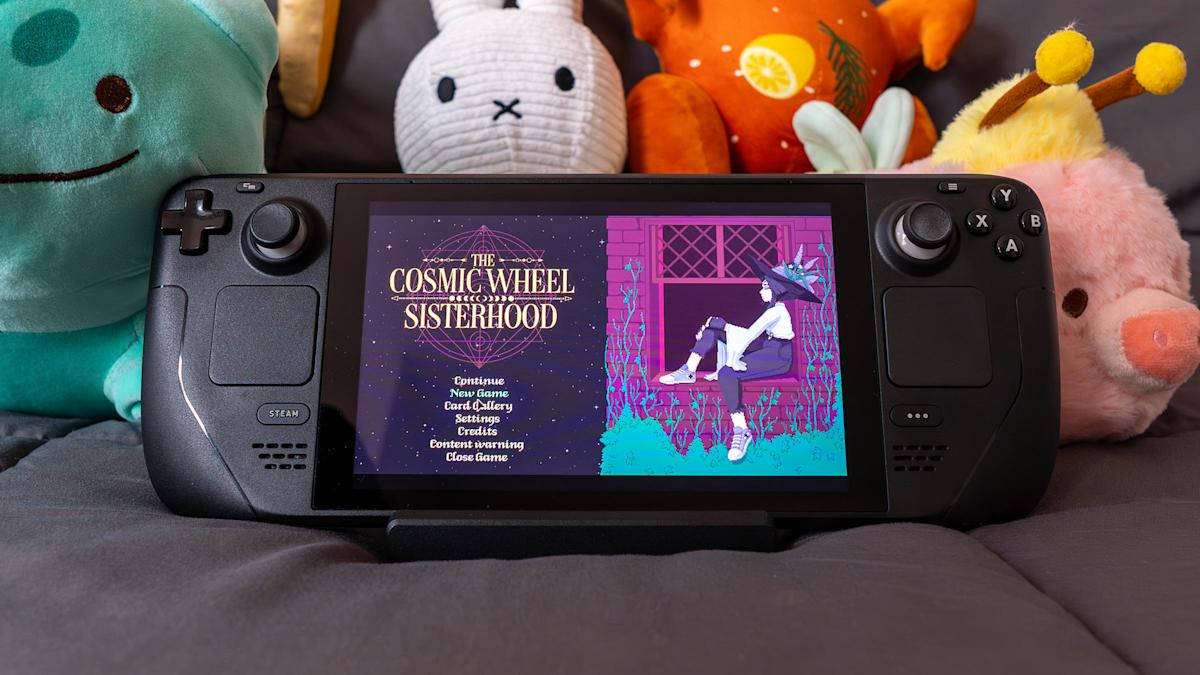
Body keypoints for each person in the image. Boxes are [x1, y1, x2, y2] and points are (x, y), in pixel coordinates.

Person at [659, 250, 822, 462]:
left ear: (777, 289)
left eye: (765, 286)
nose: (761, 291)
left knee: (727, 373)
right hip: (767, 345)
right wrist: (719, 326)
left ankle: (742, 430)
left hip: (778, 356)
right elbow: (749, 335)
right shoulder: (773, 308)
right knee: (715, 328)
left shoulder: (777, 311)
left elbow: (750, 335)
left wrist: (730, 347)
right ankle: (689, 370)